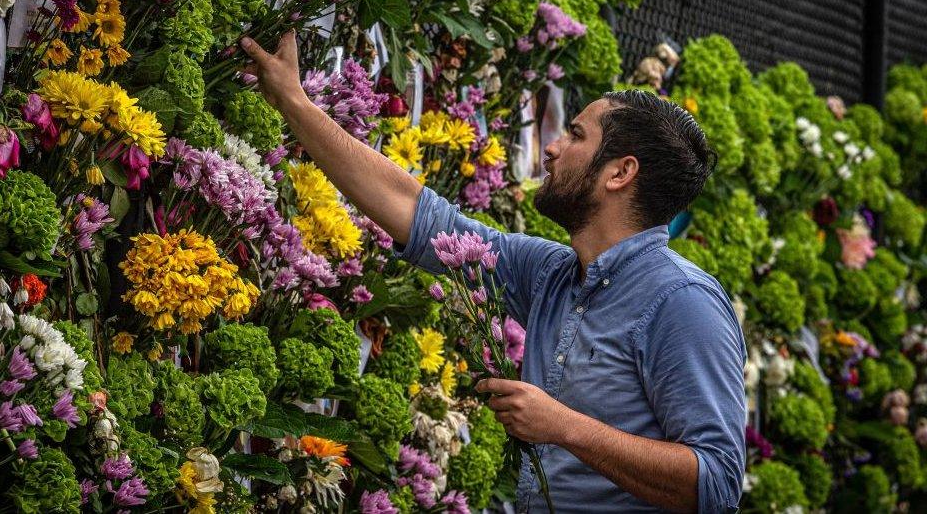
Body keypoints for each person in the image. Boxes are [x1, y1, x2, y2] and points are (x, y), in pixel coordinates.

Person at [241, 31, 746, 513]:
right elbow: (421, 216)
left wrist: (564, 426)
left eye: (575, 136)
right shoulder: (552, 274)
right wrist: (295, 102)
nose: (551, 148)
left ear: (620, 173)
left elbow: (718, 484)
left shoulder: (684, 303)